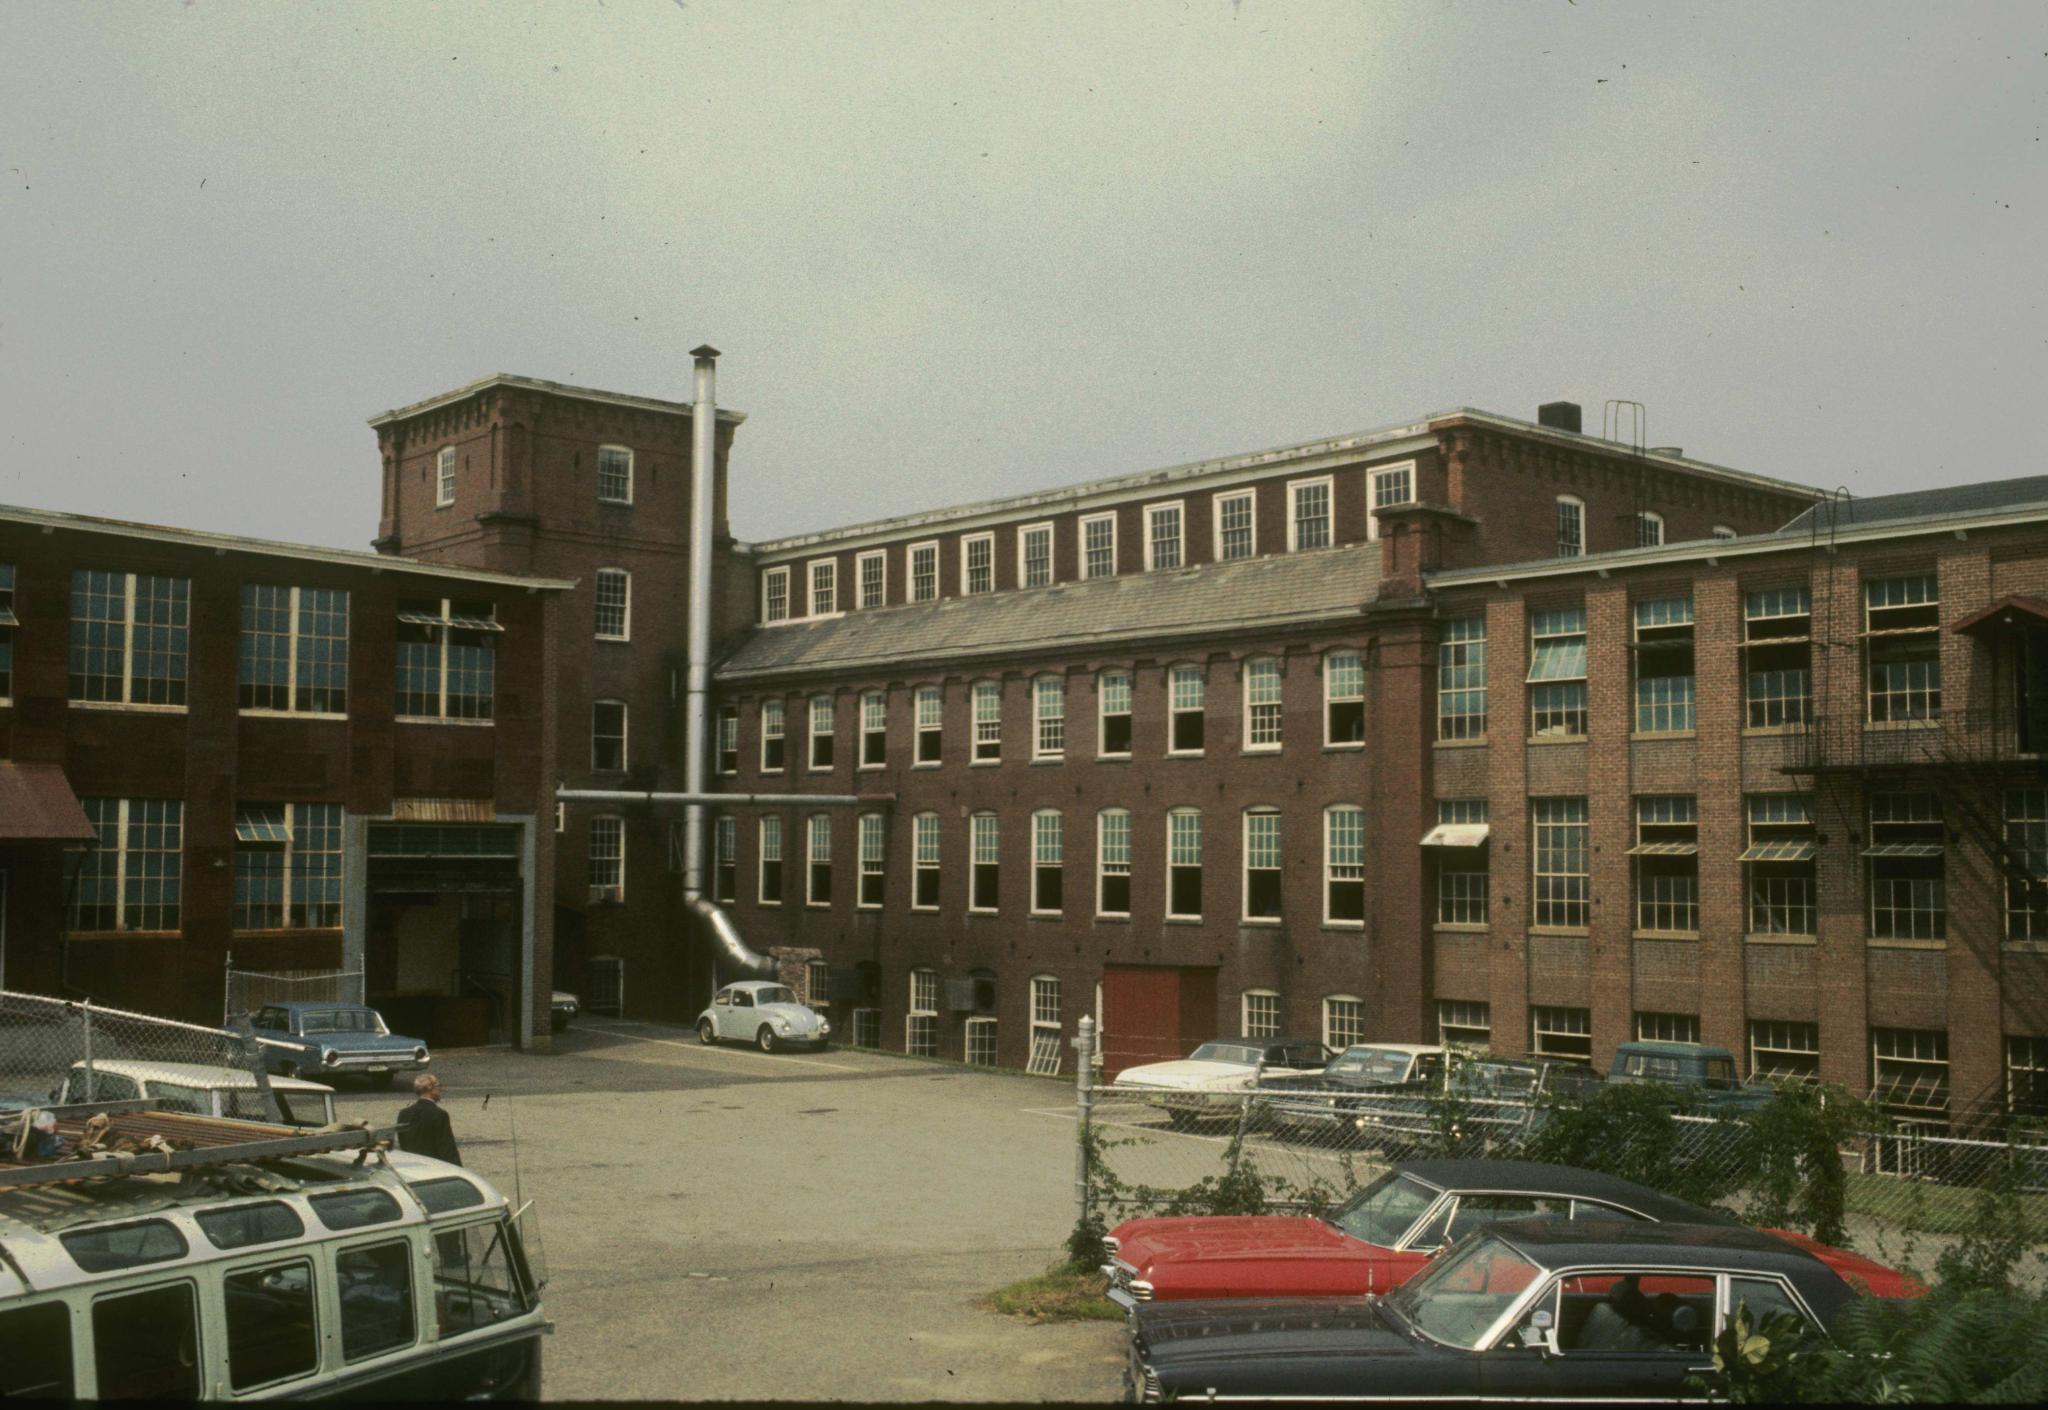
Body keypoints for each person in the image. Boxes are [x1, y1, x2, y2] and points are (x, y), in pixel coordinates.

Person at [395, 1073, 461, 1165]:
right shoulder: (439, 1114)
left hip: (412, 1164)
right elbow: (446, 1147)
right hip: (434, 1165)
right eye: (438, 1086)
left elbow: (403, 1142)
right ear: (430, 1088)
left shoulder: (404, 1114)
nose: (440, 1090)